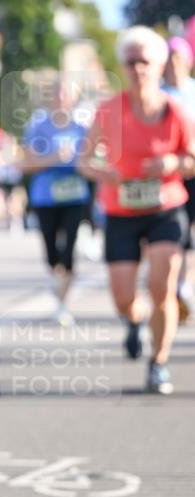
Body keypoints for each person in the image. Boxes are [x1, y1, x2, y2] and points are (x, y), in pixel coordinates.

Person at [77, 26, 195, 395]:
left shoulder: (176, 110)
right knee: (124, 296)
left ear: (160, 65)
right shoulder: (109, 109)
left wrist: (172, 164)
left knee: (162, 286)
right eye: (131, 61)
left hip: (166, 208)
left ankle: (158, 362)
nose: (138, 68)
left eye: (145, 61)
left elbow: (192, 159)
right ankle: (134, 320)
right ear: (123, 67)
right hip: (121, 212)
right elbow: (83, 161)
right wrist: (104, 172)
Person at [22, 78, 91, 325]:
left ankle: (63, 303)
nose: (61, 99)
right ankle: (56, 278)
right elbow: (27, 163)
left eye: (66, 94)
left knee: (69, 247)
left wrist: (85, 164)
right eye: (57, 94)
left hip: (75, 195)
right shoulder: (38, 125)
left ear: (73, 98)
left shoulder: (83, 126)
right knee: (51, 251)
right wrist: (53, 158)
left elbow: (92, 160)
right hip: (45, 196)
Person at [162, 36, 195, 321]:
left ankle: (184, 285)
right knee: (175, 235)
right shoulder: (156, 95)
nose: (174, 64)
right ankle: (172, 286)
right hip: (168, 177)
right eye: (169, 59)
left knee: (192, 235)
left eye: (178, 59)